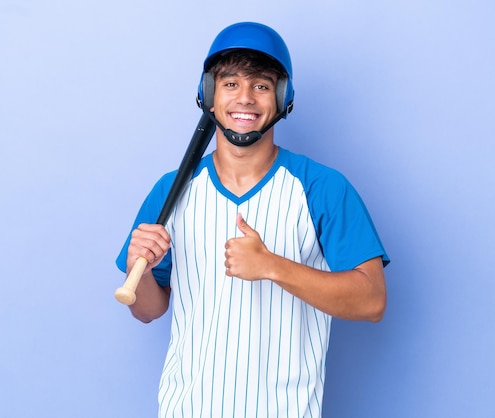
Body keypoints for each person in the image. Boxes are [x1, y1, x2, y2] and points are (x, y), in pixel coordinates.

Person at [116, 21, 390, 418]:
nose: (245, 98)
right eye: (230, 84)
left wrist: (271, 266)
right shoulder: (172, 190)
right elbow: (146, 310)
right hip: (186, 408)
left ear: (281, 98)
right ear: (209, 96)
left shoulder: (321, 187)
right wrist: (139, 272)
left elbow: (372, 301)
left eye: (261, 85)